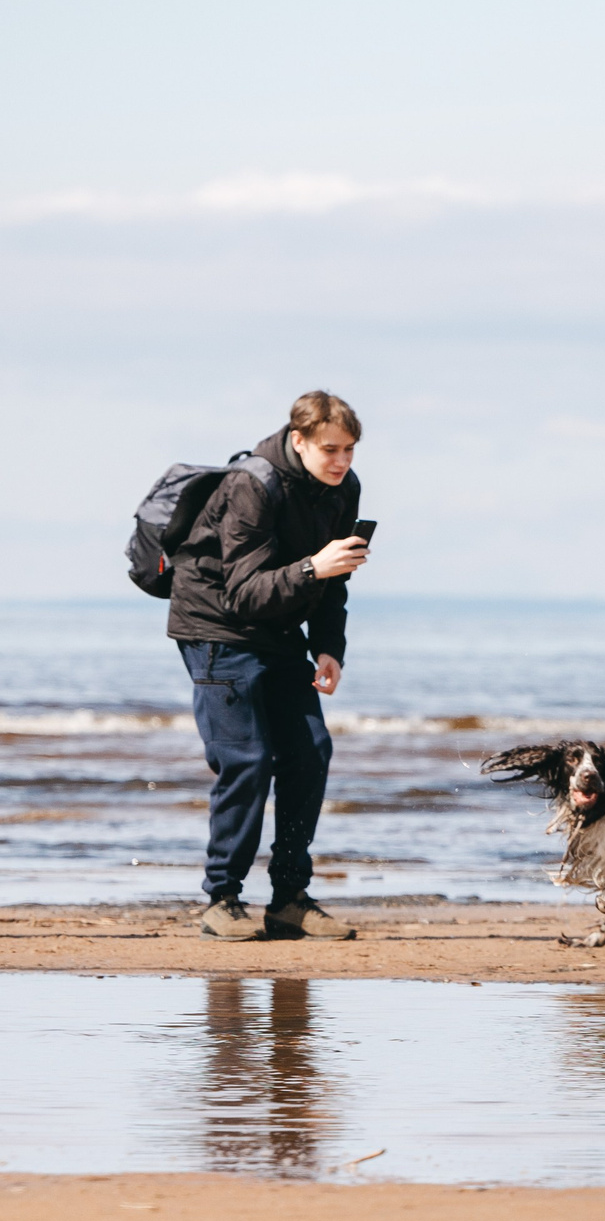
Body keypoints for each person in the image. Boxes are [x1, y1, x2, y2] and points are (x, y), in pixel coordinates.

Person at [165, 391, 371, 940]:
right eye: (331, 449)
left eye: (350, 449)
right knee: (248, 760)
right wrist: (311, 568)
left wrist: (330, 646)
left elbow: (336, 580)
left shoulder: (343, 488)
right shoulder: (251, 485)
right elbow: (244, 593)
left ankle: (289, 900)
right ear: (298, 440)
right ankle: (221, 899)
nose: (342, 461)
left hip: (281, 631)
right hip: (217, 627)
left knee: (311, 751)